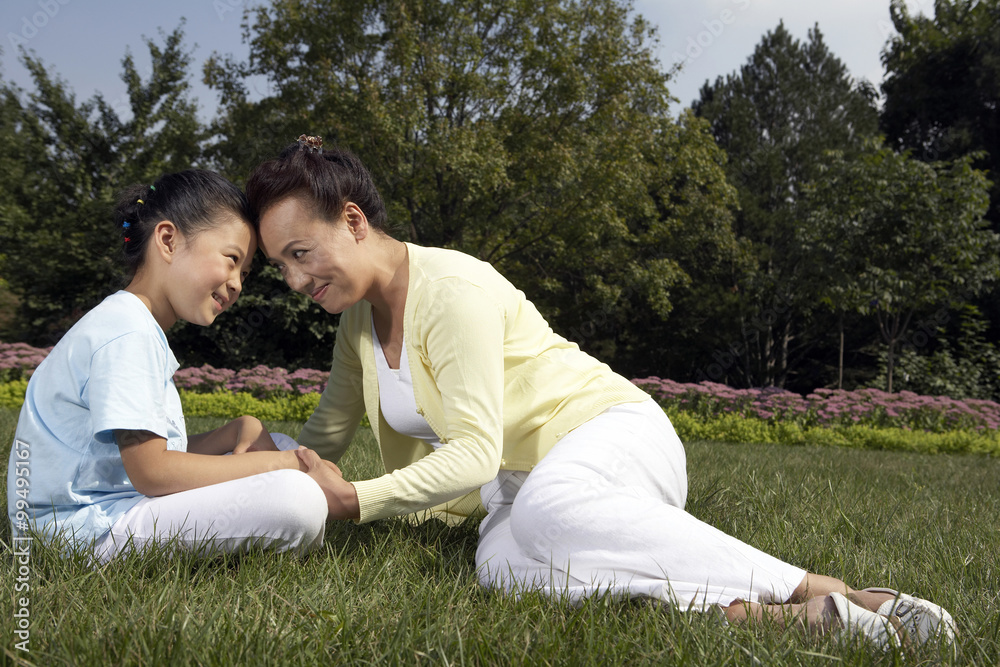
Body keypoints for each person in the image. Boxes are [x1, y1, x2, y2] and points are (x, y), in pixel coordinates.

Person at [245, 136, 956, 649]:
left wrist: (358, 499)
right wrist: (248, 465)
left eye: (301, 254)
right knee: (504, 567)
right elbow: (326, 437)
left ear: (354, 221)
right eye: (282, 265)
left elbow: (469, 453)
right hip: (519, 487)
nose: (296, 281)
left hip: (609, 434)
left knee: (551, 509)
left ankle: (821, 586)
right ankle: (784, 621)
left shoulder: (450, 289)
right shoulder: (357, 326)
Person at [6, 169, 338, 563]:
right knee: (296, 497)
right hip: (78, 532)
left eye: (244, 273)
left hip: (98, 511)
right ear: (168, 240)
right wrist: (282, 465)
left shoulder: (130, 322)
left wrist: (236, 430)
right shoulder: (128, 332)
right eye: (231, 260)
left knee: (276, 443)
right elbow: (153, 472)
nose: (237, 284)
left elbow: (147, 453)